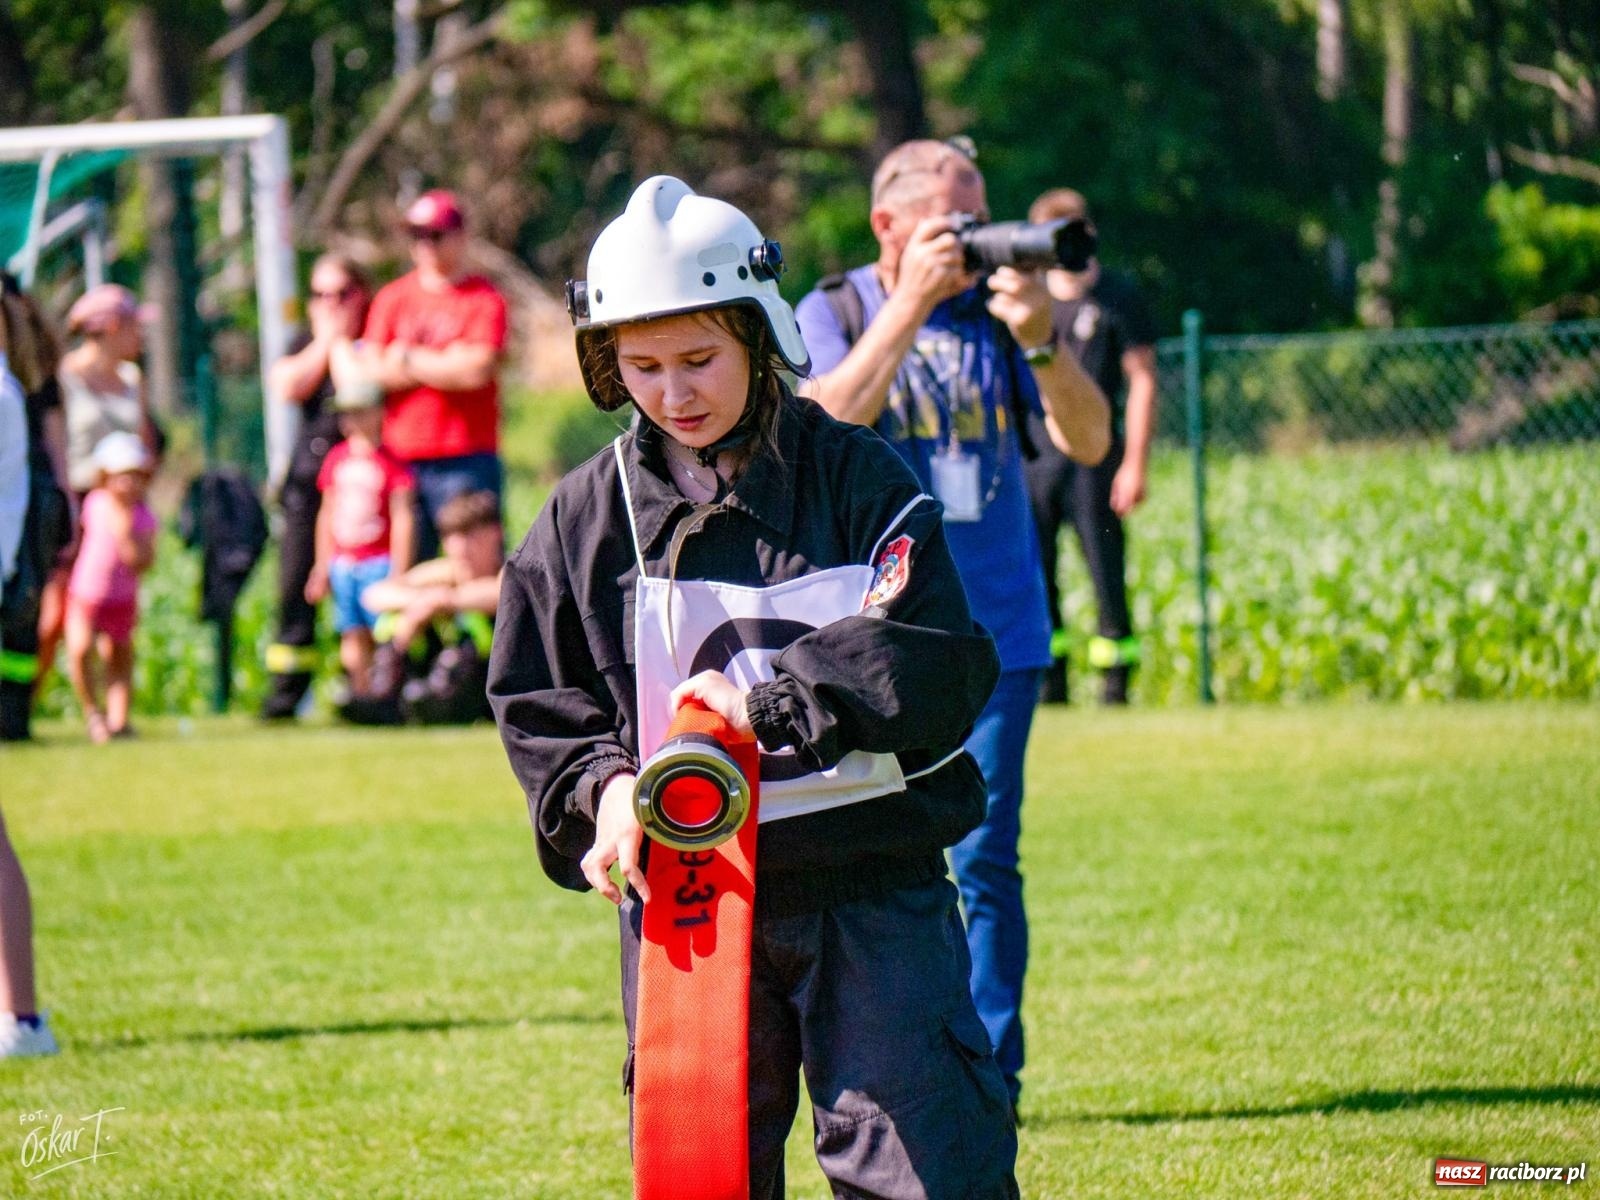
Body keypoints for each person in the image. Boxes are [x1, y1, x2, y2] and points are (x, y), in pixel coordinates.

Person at [489, 176, 1018, 1197]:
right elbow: (539, 698)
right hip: (686, 913)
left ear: (758, 335)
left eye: (699, 359)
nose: (674, 392)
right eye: (641, 367)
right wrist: (602, 794)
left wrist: (770, 700)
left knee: (925, 1175)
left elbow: (935, 657)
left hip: (875, 896)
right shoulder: (582, 517)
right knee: (705, 1181)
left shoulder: (862, 479)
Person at [794, 137, 1112, 1113]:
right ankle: (887, 1062)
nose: (973, 242)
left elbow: (1088, 441)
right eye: (952, 222)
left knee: (985, 856)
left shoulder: (999, 318)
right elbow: (819, 423)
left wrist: (1043, 340)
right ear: (888, 225)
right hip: (871, 642)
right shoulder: (837, 307)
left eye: (981, 218)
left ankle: (987, 1072)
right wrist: (909, 306)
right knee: (869, 855)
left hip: (996, 630)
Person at [1024, 188, 1159, 705]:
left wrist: (1135, 464)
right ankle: (1050, 682)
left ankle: (1115, 684)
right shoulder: (1026, 302)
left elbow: (1143, 380)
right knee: (1037, 574)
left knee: (1105, 568)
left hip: (1098, 459)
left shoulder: (1119, 297)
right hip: (1034, 458)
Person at [358, 189, 508, 561]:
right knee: (408, 568)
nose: (425, 244)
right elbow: (373, 370)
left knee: (478, 565)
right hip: (401, 458)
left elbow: (476, 370)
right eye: (417, 235)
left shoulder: (483, 298)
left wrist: (407, 358)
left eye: (435, 234)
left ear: (460, 236)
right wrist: (444, 361)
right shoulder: (392, 298)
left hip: (466, 457)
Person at [261, 254, 374, 719]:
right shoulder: (305, 343)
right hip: (307, 488)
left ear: (360, 295)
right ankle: (287, 695)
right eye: (320, 295)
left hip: (361, 487)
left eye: (340, 294)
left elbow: (357, 389)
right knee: (294, 588)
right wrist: (325, 342)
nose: (330, 304)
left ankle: (365, 690)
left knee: (360, 589)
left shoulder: (369, 343)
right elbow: (286, 385)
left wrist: (341, 343)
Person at [36, 284, 161, 701]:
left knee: (117, 616)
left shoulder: (132, 379)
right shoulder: (66, 376)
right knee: (56, 616)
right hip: (76, 505)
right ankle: (22, 707)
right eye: (132, 326)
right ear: (108, 326)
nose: (139, 336)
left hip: (120, 507)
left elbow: (144, 442)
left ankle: (114, 715)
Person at [305, 375, 415, 698]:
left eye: (360, 411)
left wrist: (400, 569)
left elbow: (403, 518)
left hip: (378, 562)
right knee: (351, 632)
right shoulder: (336, 461)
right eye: (347, 412)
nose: (351, 420)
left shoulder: (392, 464)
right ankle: (360, 692)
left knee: (382, 632)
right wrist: (322, 565)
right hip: (344, 562)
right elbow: (326, 516)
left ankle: (384, 693)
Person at [352, 489, 501, 725]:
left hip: (486, 677)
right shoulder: (445, 572)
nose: (459, 546)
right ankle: (384, 698)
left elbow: (500, 596)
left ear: (494, 534)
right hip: (433, 664)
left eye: (469, 534)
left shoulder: (507, 571)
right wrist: (421, 604)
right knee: (393, 621)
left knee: (472, 626)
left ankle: (439, 699)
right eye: (451, 536)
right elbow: (375, 595)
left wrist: (445, 601)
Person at [0, 278, 71, 742]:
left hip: (31, 503)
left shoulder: (13, 390)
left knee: (24, 618)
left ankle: (13, 714)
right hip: (30, 504)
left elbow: (55, 441)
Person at [64, 432, 157, 744]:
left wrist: (126, 533)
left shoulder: (142, 518)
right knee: (79, 649)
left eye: (134, 476)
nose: (128, 484)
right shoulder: (94, 504)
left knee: (118, 658)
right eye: (121, 477)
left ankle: (118, 721)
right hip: (85, 595)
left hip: (122, 600)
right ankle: (93, 713)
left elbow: (142, 560)